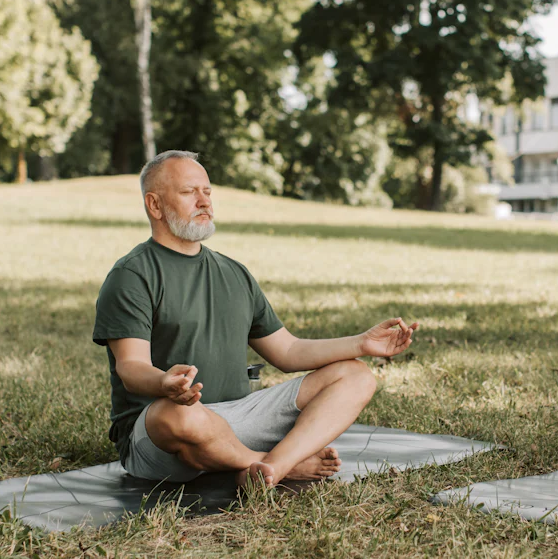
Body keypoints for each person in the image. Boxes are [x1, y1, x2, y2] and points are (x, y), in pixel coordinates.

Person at [93, 150, 419, 488]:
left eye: (207, 191)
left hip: (239, 418)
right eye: (189, 192)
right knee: (177, 416)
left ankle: (270, 467)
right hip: (163, 432)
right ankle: (276, 464)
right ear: (155, 205)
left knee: (356, 376)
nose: (204, 202)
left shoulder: (234, 273)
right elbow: (131, 368)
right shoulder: (132, 275)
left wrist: (361, 343)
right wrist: (164, 383)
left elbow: (288, 351)